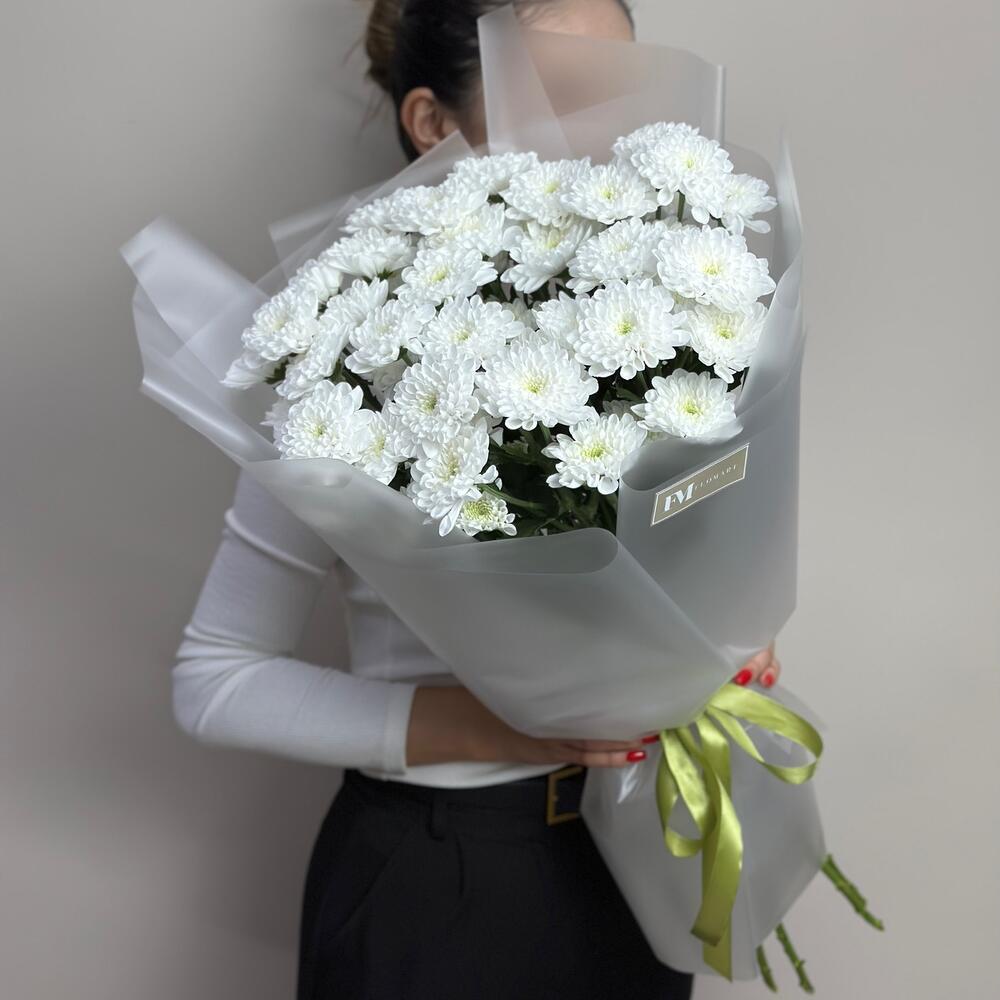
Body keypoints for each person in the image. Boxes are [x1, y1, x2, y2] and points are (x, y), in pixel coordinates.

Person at [174, 1, 783, 996]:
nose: (613, 131)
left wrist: (722, 649)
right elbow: (214, 679)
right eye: (565, 94)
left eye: (629, 89)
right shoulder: (349, 363)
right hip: (443, 879)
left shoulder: (680, 318)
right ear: (432, 122)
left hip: (638, 852)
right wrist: (503, 726)